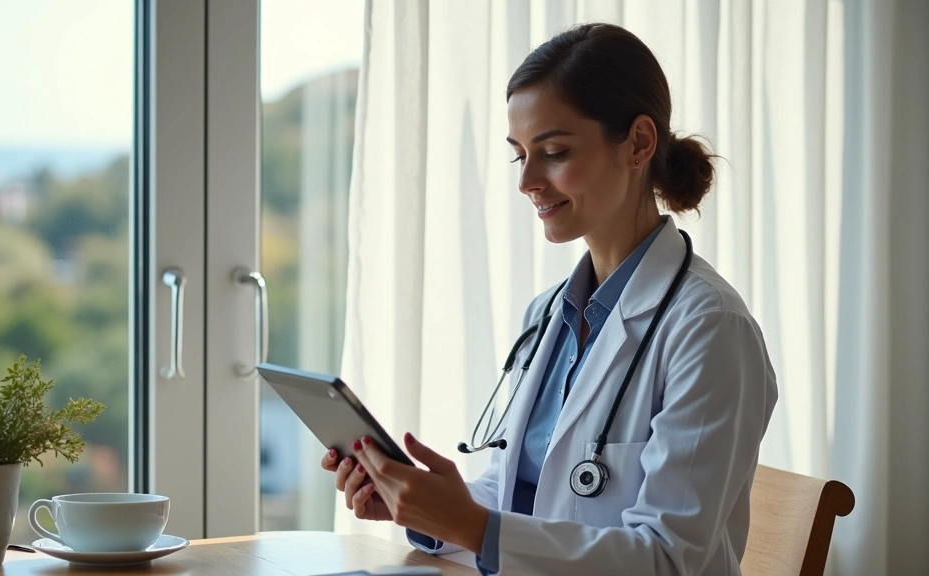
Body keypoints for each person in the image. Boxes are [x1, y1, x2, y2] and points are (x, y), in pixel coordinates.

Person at [320, 22, 777, 575]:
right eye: (519, 156)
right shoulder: (548, 315)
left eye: (554, 151)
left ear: (638, 143)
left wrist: (470, 524)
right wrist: (425, 507)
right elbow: (524, 495)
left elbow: (667, 559)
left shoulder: (710, 328)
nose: (528, 181)